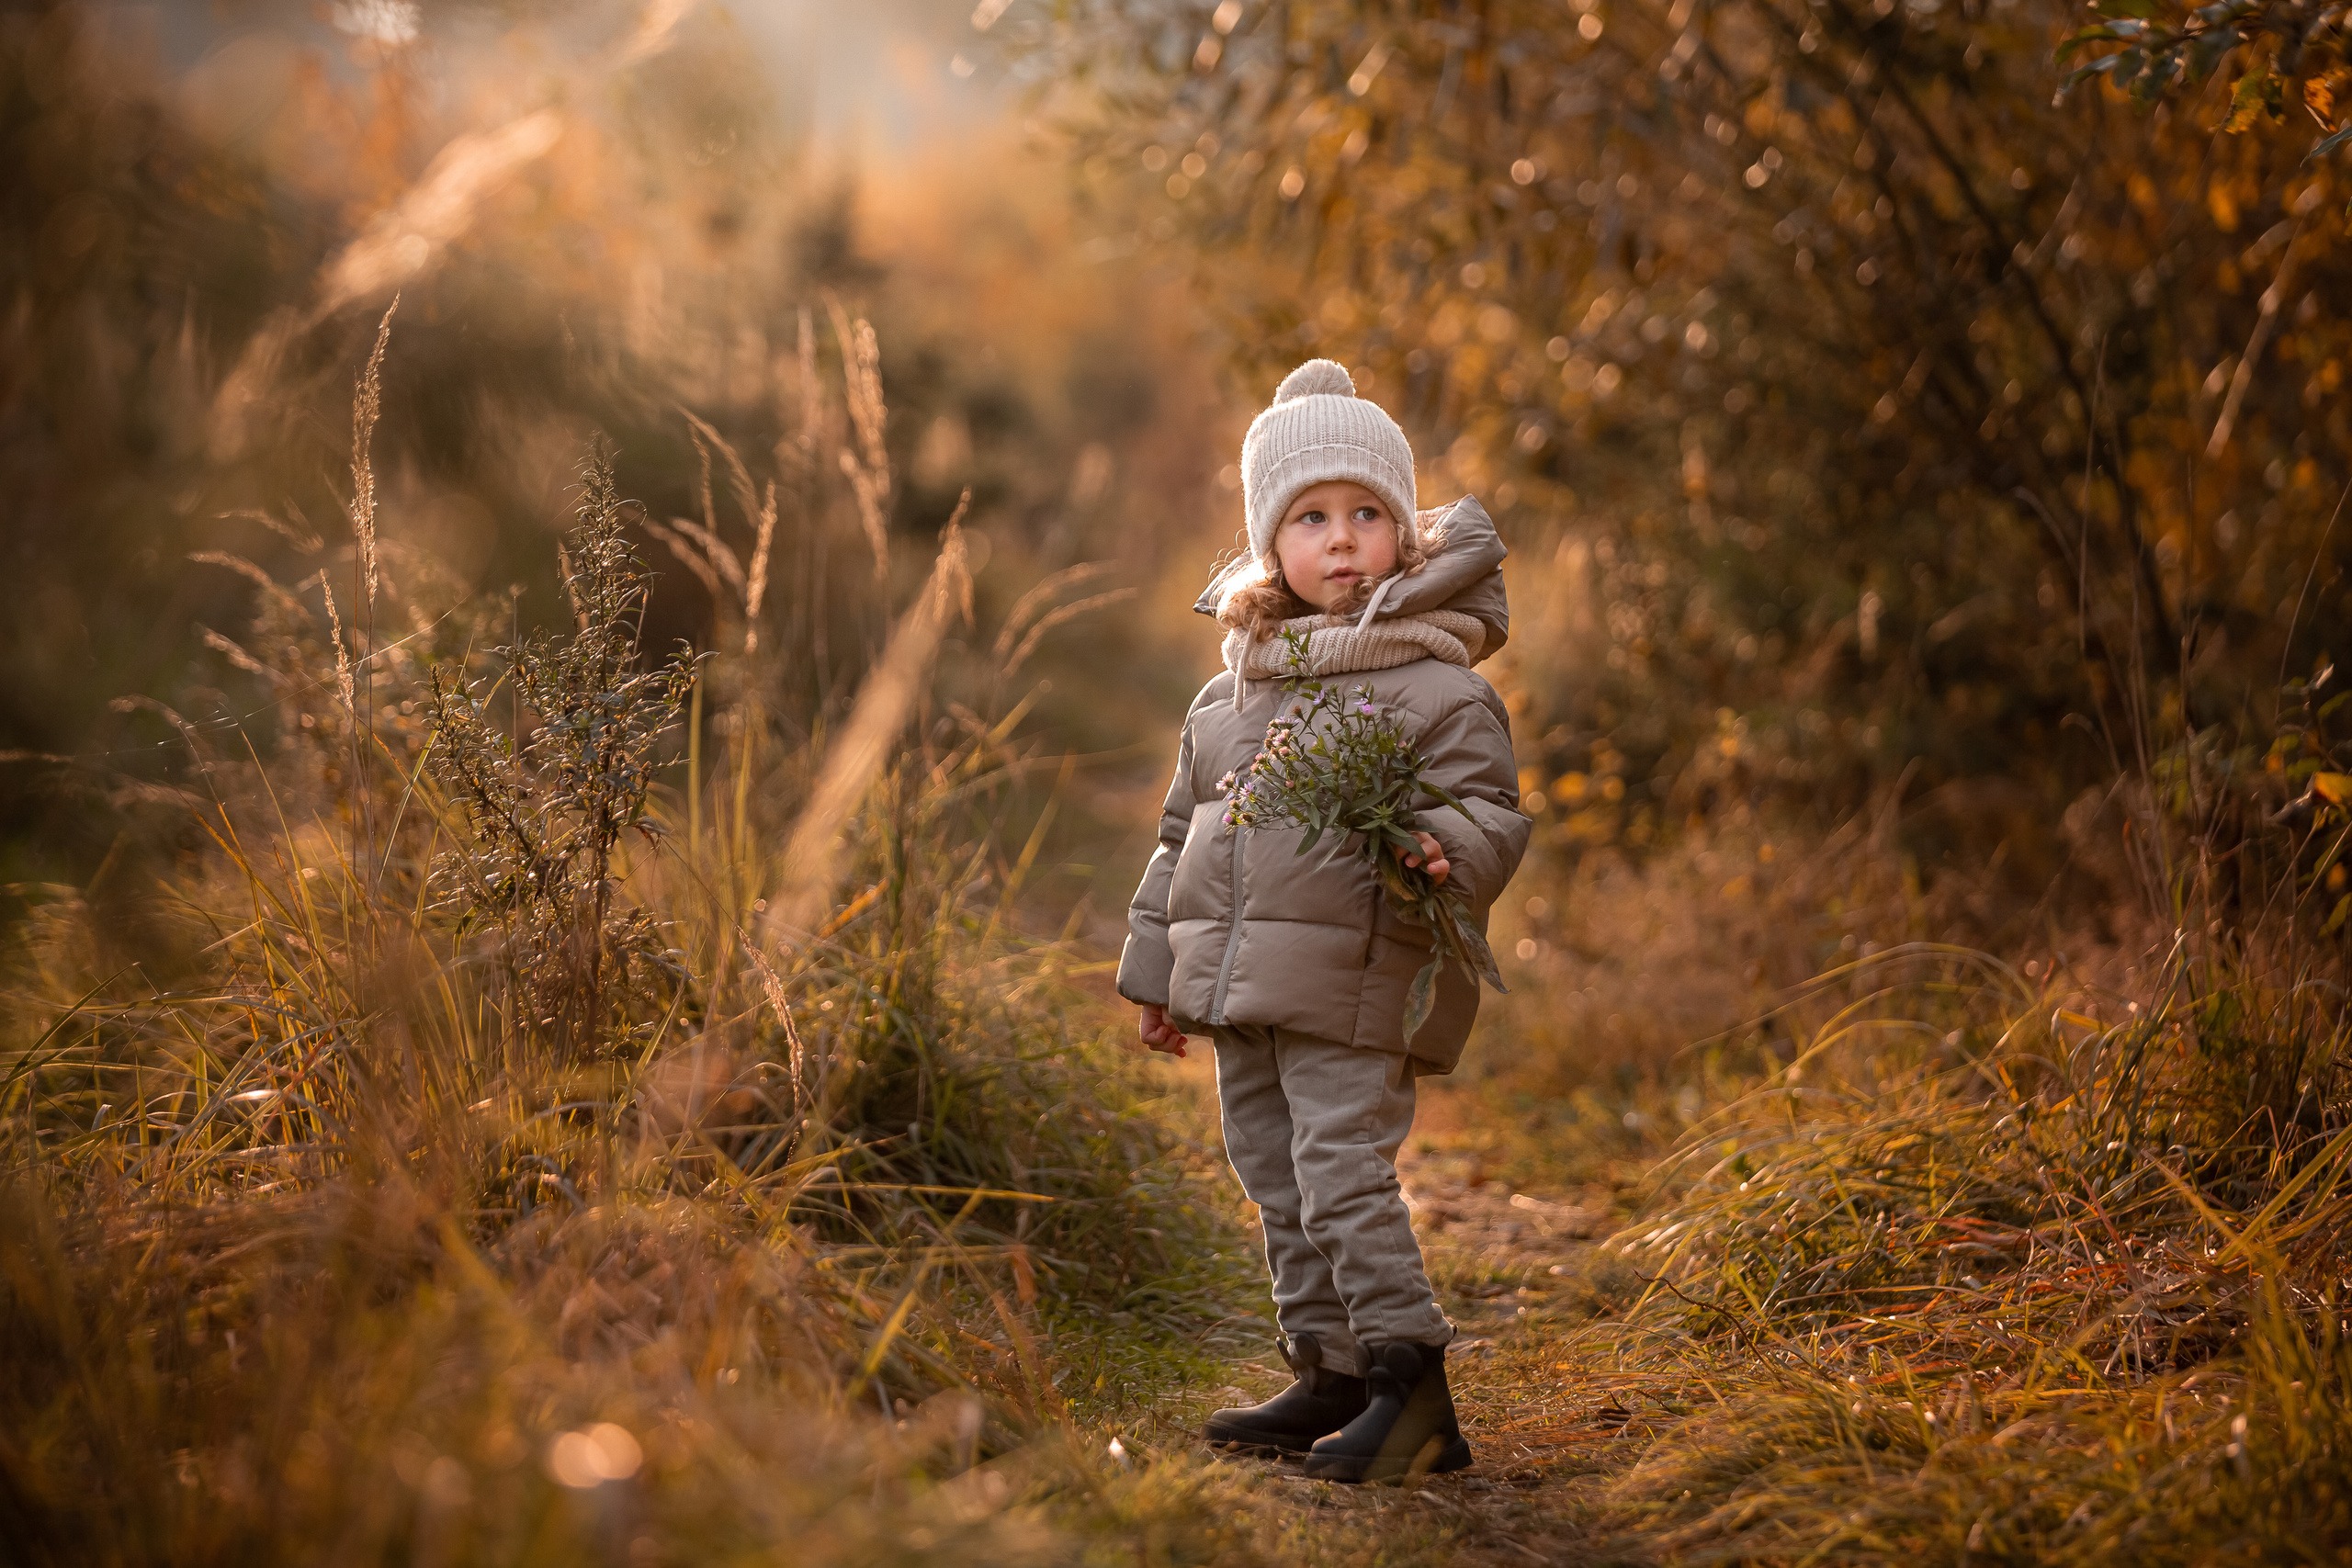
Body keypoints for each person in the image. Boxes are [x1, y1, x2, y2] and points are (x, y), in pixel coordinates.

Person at [1116, 358, 1530, 1483]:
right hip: (1242, 988)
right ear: (1268, 543)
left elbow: (1486, 808)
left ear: (1404, 533)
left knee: (1340, 1171)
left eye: (1366, 514)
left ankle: (1412, 1386)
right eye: (1310, 517)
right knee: (1275, 1178)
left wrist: (1448, 847)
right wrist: (1157, 975)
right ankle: (1332, 1372)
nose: (1341, 539)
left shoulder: (1436, 685)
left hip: (1355, 979)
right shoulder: (1229, 695)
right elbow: (1180, 839)